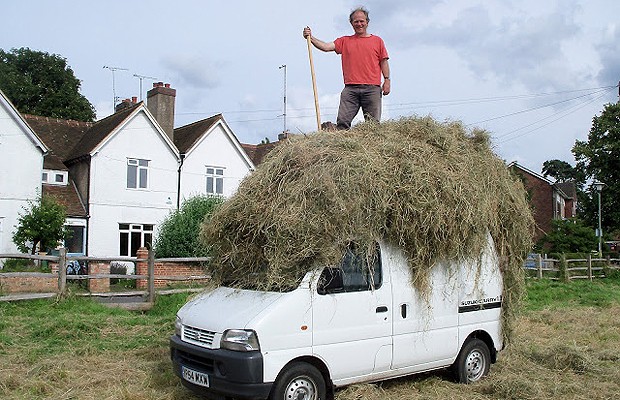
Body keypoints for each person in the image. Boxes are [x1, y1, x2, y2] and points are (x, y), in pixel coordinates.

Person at [303, 7, 390, 130]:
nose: (359, 24)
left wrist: (387, 80)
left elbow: (384, 61)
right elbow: (326, 47)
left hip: (372, 88)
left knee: (373, 125)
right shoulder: (345, 41)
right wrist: (310, 38)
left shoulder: (377, 41)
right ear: (351, 23)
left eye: (362, 21)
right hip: (350, 89)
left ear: (367, 22)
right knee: (343, 122)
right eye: (356, 21)